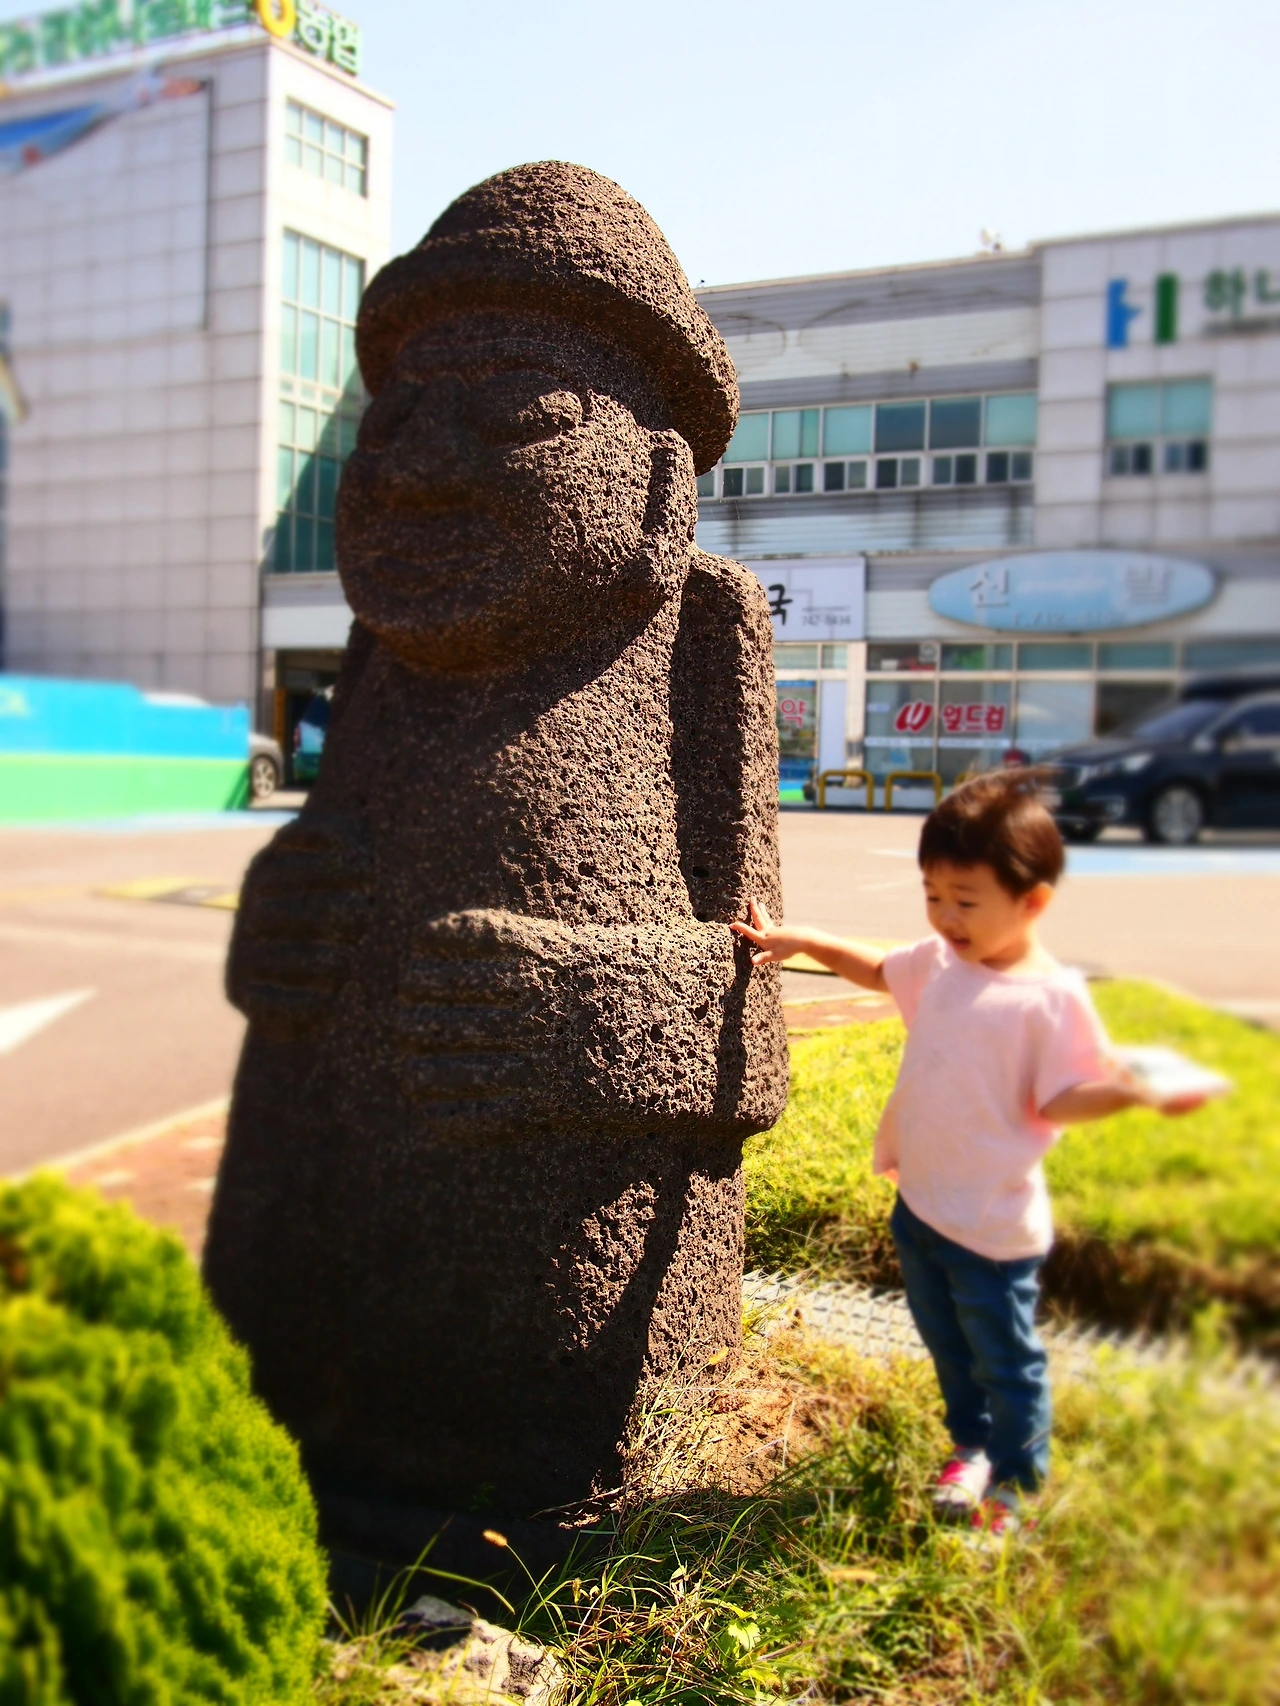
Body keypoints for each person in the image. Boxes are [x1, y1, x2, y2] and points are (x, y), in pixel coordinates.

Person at [732, 770, 1202, 1536]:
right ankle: (972, 1447)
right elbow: (877, 969)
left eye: (966, 901)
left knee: (1006, 1361)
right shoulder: (941, 964)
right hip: (920, 1209)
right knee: (949, 1347)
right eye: (933, 896)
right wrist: (798, 941)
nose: (946, 917)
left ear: (1032, 903)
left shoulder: (1050, 999)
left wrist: (1128, 1089)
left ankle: (1014, 1484)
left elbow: (1061, 1098)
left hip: (991, 1231)